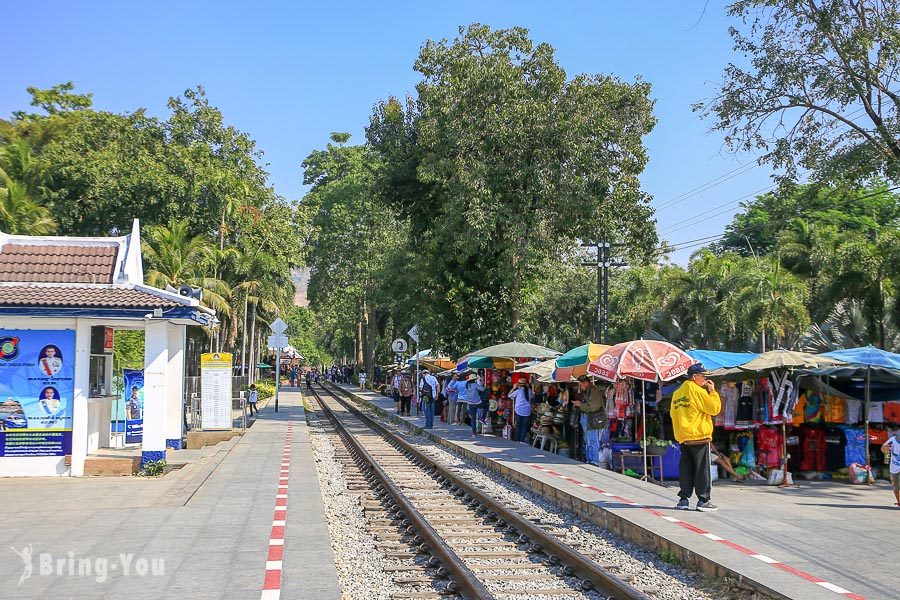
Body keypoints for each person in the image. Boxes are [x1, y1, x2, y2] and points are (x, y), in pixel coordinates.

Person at [671, 363, 722, 512]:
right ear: (695, 377)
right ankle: (703, 500)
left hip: (683, 436)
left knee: (686, 468)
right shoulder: (697, 390)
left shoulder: (677, 393)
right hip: (699, 435)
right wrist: (712, 392)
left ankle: (683, 499)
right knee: (702, 469)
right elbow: (714, 409)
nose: (705, 379)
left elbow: (673, 415)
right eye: (703, 376)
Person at [574, 375, 607, 465]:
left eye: (581, 385)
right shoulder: (588, 391)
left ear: (586, 383)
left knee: (593, 440)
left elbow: (593, 407)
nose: (580, 387)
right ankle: (589, 459)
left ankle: (594, 460)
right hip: (588, 418)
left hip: (594, 419)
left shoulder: (594, 391)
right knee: (588, 440)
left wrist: (580, 404)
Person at [880, 429, 900, 508]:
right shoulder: (893, 440)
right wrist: (885, 449)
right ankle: (899, 501)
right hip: (894, 467)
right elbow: (883, 448)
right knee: (896, 487)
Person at [509, 378, 532, 443]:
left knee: (518, 426)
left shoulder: (518, 391)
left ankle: (517, 440)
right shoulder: (529, 391)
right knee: (524, 427)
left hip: (519, 410)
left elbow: (509, 395)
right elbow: (532, 397)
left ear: (519, 385)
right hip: (527, 411)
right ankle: (522, 441)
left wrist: (513, 388)